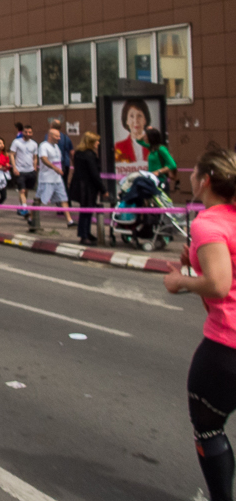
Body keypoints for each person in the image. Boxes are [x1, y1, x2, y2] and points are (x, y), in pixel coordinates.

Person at [163, 148, 236, 501]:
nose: (189, 178)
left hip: (227, 345)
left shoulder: (207, 222)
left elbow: (220, 286)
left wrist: (182, 282)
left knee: (208, 428)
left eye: (194, 174)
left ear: (205, 180)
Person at [32, 127, 74, 232]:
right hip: (46, 179)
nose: (59, 138)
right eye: (57, 136)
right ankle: (32, 218)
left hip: (57, 179)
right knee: (40, 199)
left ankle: (69, 221)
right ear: (50, 136)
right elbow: (44, 159)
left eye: (59, 136)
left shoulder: (56, 147)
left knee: (63, 199)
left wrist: (60, 169)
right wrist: (54, 168)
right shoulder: (43, 146)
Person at [69, 132, 107, 246]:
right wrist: (103, 189)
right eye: (96, 141)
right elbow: (94, 173)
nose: (98, 143)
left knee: (84, 210)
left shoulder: (78, 153)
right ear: (91, 142)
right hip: (88, 187)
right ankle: (84, 235)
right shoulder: (90, 155)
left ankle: (85, 233)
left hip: (80, 185)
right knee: (87, 211)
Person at [10, 125, 39, 223]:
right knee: (22, 190)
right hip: (20, 170)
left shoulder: (34, 144)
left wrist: (35, 167)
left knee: (26, 190)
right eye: (26, 132)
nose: (28, 134)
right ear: (23, 132)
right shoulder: (17, 142)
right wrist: (14, 167)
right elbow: (12, 155)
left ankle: (21, 206)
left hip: (30, 171)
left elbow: (35, 157)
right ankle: (25, 208)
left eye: (30, 132)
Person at [114, 98, 152, 166]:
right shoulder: (119, 147)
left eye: (139, 116)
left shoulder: (153, 144)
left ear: (145, 120)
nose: (135, 121)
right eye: (131, 116)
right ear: (126, 121)